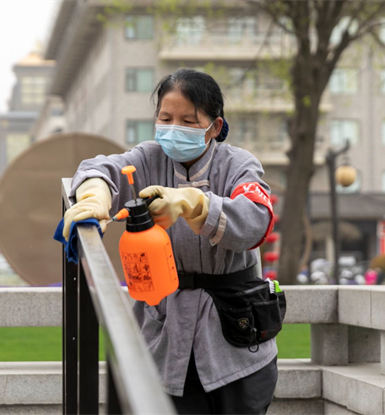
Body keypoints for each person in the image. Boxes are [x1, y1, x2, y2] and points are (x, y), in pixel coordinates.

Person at [63, 69, 278, 415]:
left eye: (188, 120)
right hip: (165, 331)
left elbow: (256, 220)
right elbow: (100, 168)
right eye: (165, 118)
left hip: (236, 337)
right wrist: (94, 196)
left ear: (214, 126)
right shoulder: (148, 158)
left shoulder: (238, 165)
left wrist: (195, 203)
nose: (173, 127)